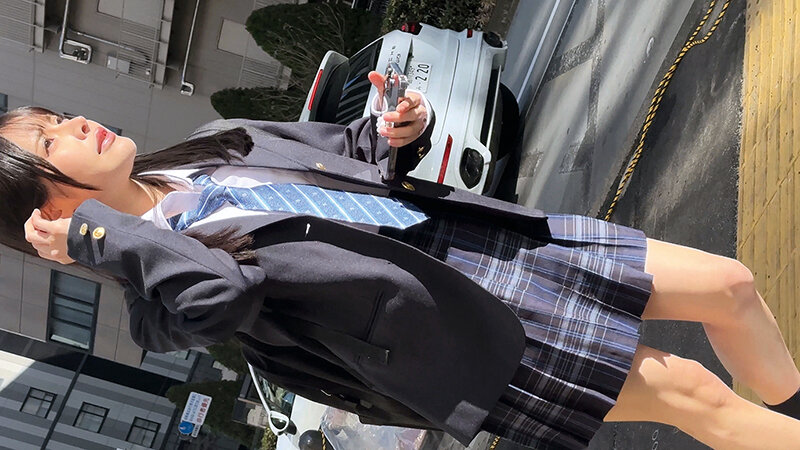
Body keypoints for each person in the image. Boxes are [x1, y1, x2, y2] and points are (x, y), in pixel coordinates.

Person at [1, 71, 799, 449]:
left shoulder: (214, 146)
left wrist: (393, 129)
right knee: (692, 393)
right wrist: (105, 236)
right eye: (50, 142)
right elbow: (226, 293)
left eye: (60, 116)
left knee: (729, 284)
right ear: (50, 210)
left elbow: (344, 155)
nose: (77, 125)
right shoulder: (154, 304)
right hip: (460, 333)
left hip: (481, 241)